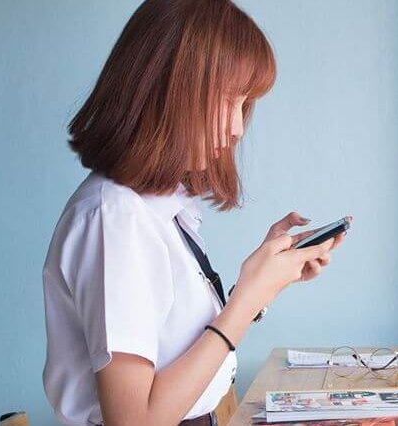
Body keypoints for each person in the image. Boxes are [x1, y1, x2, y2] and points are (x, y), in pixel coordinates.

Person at [41, 1, 349, 425]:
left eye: (245, 105)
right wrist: (247, 300)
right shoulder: (115, 218)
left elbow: (181, 349)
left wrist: (262, 286)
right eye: (228, 99)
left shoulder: (157, 208)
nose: (239, 127)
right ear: (165, 87)